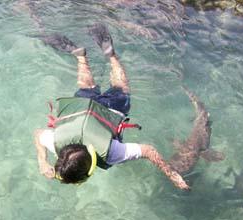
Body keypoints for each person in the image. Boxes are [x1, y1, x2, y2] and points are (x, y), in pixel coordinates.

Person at [34, 23, 189, 190]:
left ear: (90, 170)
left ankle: (111, 56)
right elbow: (38, 134)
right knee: (87, 88)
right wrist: (42, 161)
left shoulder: (112, 154)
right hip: (83, 105)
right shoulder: (56, 142)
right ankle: (83, 57)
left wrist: (172, 175)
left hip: (112, 109)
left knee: (121, 87)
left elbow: (149, 150)